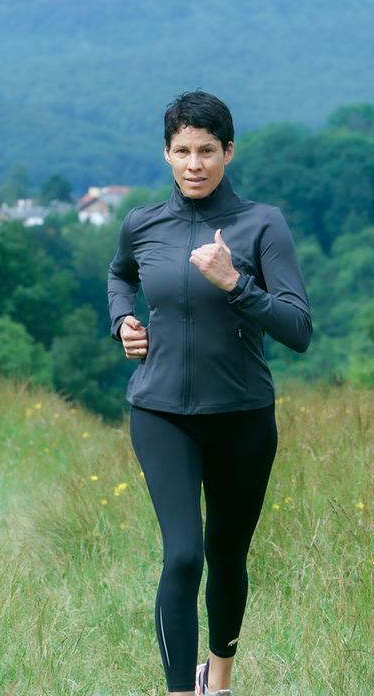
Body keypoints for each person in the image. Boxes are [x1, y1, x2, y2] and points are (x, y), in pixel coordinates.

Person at [107, 90, 311, 696]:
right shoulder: (142, 224)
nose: (193, 164)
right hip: (160, 412)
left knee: (227, 557)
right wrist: (122, 320)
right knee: (183, 556)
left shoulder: (262, 224)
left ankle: (216, 683)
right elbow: (120, 275)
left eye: (206, 151)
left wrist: (235, 283)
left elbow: (298, 329)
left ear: (228, 152)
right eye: (181, 151)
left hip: (244, 417)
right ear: (166, 154)